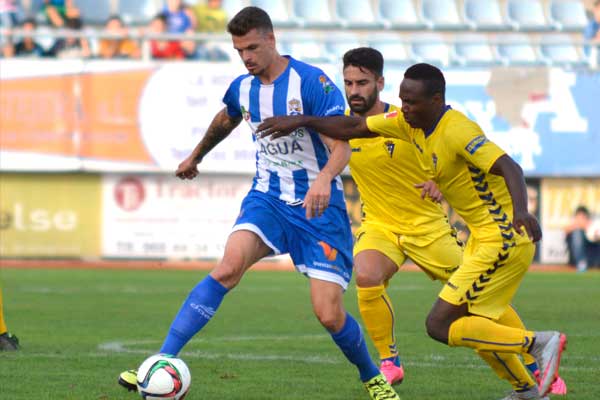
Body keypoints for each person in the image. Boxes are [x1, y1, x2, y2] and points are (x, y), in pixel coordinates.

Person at [118, 7, 400, 400]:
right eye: (239, 51)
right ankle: (160, 360)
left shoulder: (311, 83)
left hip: (318, 210)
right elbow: (227, 118)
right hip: (267, 198)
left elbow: (343, 143)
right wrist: (196, 156)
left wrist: (323, 178)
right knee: (227, 268)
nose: (247, 57)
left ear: (270, 39)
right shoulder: (242, 87)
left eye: (252, 47)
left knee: (329, 313)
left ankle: (372, 377)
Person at [257, 63, 567, 399]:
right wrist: (302, 120)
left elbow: (509, 165)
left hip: (499, 236)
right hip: (473, 236)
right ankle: (526, 388)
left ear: (436, 100)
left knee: (441, 324)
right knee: (471, 322)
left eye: (411, 102)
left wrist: (521, 210)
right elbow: (355, 126)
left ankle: (538, 346)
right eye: (402, 101)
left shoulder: (457, 129)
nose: (403, 108)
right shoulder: (409, 124)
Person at [564, 205, 600, 272]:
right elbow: (566, 230)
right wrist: (579, 225)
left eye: (583, 217)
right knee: (577, 233)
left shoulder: (593, 226)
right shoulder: (574, 227)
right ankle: (581, 263)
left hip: (594, 258)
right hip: (577, 260)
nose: (580, 219)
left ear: (587, 217)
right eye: (578, 217)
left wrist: (589, 228)